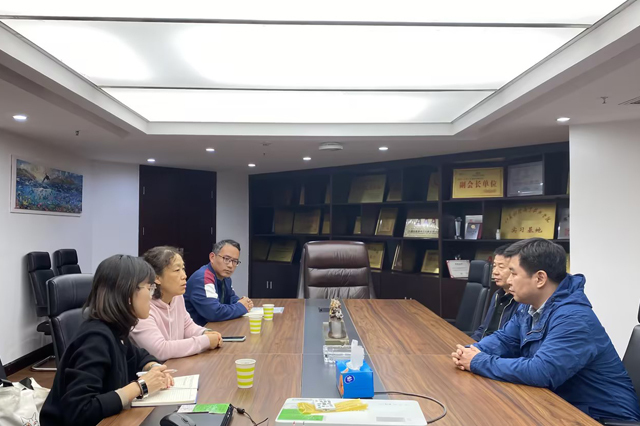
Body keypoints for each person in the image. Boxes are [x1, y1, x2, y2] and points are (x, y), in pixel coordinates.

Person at [451, 238, 640, 421]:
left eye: (514, 274)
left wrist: (478, 361)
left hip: (600, 418)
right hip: (560, 406)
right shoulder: (528, 307)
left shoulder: (574, 318)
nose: (509, 281)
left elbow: (541, 371)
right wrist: (470, 352)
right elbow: (504, 340)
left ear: (540, 278)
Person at [40, 255, 175, 426]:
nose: (151, 296)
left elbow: (138, 356)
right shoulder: (95, 338)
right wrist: (141, 386)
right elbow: (80, 411)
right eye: (149, 288)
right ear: (127, 294)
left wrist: (154, 368)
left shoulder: (115, 329)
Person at [130, 246, 223, 361]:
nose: (184, 276)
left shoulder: (177, 297)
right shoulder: (142, 306)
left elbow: (187, 326)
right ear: (157, 278)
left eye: (183, 269)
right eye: (177, 270)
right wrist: (206, 341)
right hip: (155, 369)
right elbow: (160, 350)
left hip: (176, 364)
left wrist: (206, 332)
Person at [185, 239, 253, 326]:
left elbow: (231, 298)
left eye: (235, 261)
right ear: (212, 257)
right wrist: (241, 307)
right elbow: (213, 312)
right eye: (226, 259)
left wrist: (244, 302)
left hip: (215, 327)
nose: (230, 265)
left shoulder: (225, 278)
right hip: (199, 330)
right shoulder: (203, 278)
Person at [470, 244, 519, 341]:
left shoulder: (521, 300)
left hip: (496, 347)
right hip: (484, 345)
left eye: (501, 267)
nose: (494, 272)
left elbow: (508, 340)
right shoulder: (497, 294)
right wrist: (470, 344)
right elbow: (484, 328)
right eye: (494, 266)